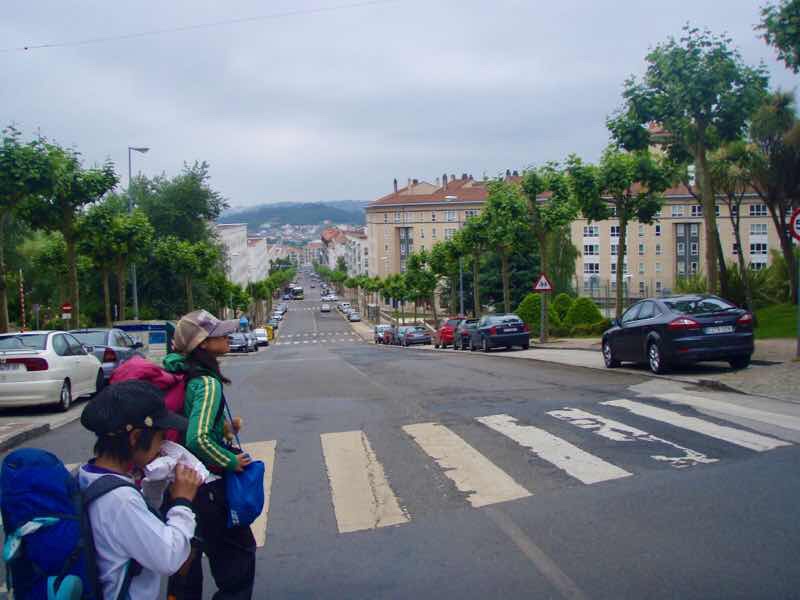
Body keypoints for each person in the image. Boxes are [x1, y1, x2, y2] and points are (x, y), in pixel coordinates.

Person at [79, 380, 203, 600]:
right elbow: (169, 558)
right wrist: (182, 502)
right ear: (135, 437)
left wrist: (153, 488)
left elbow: (131, 532)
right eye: (160, 437)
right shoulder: (120, 499)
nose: (163, 446)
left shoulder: (88, 476)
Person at [164, 309, 256, 600]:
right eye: (219, 333)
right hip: (207, 487)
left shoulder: (178, 371)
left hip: (178, 484)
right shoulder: (206, 382)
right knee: (237, 562)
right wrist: (231, 460)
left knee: (187, 565)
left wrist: (224, 431)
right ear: (202, 343)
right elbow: (198, 437)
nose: (228, 336)